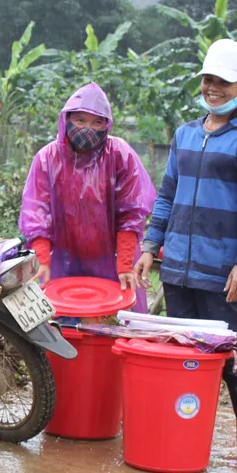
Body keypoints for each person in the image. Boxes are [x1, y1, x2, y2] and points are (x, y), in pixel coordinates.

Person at [134, 38, 237, 468]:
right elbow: (166, 196)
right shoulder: (186, 134)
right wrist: (150, 246)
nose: (213, 88)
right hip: (176, 265)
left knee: (230, 348)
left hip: (221, 268)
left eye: (224, 82)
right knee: (184, 352)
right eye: (209, 80)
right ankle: (188, 432)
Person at [19, 82, 156, 310]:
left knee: (114, 326)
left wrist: (123, 264)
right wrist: (42, 260)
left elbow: (131, 213)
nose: (88, 129)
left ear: (106, 125)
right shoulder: (47, 159)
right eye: (80, 120)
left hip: (113, 262)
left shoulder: (119, 155)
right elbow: (37, 214)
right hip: (60, 260)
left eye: (97, 122)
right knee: (62, 326)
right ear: (67, 120)